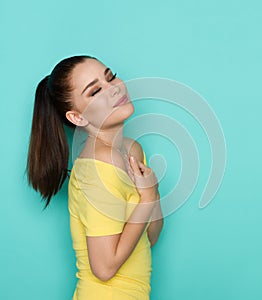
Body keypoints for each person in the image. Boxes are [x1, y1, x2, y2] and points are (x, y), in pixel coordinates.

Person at [26, 55, 164, 299]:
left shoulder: (131, 150)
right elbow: (104, 268)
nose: (113, 88)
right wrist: (148, 197)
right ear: (77, 117)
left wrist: (151, 194)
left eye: (110, 77)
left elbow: (149, 238)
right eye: (96, 90)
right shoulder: (99, 166)